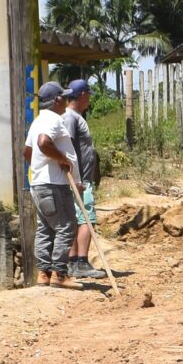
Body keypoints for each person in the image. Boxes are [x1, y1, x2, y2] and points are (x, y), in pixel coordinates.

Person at [26, 80, 81, 288]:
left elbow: (28, 152)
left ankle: (44, 274)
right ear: (57, 100)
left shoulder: (37, 121)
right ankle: (60, 273)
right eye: (64, 98)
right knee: (66, 226)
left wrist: (40, 167)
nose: (66, 102)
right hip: (54, 185)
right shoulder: (53, 120)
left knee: (46, 229)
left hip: (39, 184)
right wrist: (62, 159)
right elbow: (43, 143)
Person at [61, 79, 103, 281]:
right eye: (88, 95)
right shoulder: (71, 118)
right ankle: (80, 262)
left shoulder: (75, 117)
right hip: (79, 180)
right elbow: (67, 146)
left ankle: (75, 263)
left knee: (77, 219)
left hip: (80, 178)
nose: (89, 100)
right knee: (87, 218)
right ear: (83, 95)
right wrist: (75, 177)